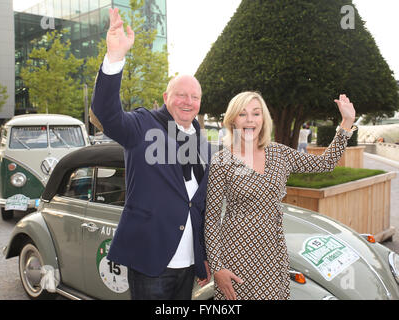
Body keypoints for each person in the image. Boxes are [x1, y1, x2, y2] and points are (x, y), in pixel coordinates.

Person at [90, 8, 212, 300]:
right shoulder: (142, 124)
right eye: (181, 94)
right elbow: (107, 114)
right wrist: (115, 57)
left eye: (194, 97)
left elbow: (200, 205)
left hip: (189, 264)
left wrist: (204, 254)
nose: (188, 101)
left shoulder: (204, 144)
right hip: (151, 260)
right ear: (166, 98)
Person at [204, 91, 356, 300]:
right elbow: (211, 219)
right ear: (232, 121)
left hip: (273, 255)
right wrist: (218, 268)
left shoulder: (279, 153)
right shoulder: (221, 161)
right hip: (235, 259)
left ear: (264, 119)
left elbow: (326, 163)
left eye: (256, 114)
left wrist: (346, 123)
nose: (250, 120)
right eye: (242, 114)